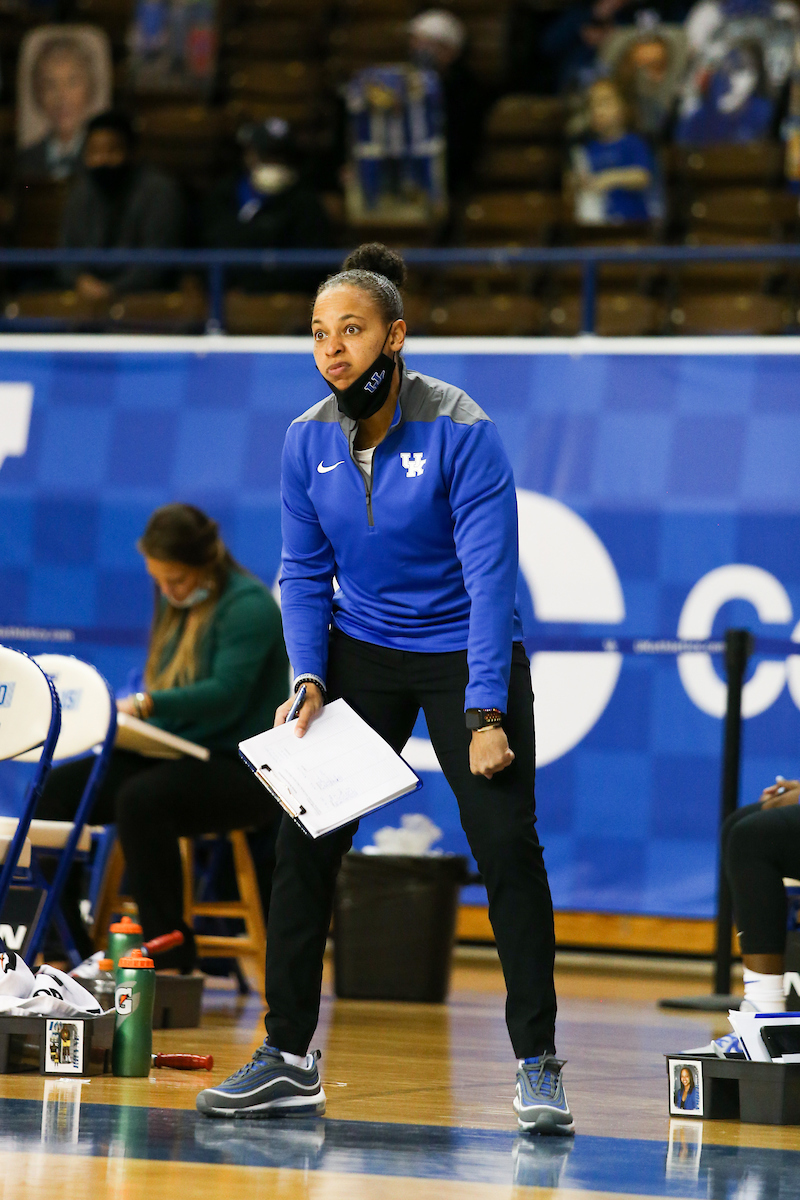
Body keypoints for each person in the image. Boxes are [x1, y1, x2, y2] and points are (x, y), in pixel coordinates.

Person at [196, 242, 573, 1136]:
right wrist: (308, 674)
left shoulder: (461, 429)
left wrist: (486, 712)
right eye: (320, 333)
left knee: (507, 851)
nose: (332, 350)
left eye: (352, 331)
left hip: (460, 656)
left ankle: (540, 1065)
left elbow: (491, 584)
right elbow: (301, 571)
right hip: (357, 652)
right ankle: (286, 1058)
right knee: (304, 840)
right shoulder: (304, 440)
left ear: (395, 337)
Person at [35, 504, 288, 973]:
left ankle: (168, 951)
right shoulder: (177, 608)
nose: (168, 592)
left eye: (176, 580)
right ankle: (62, 943)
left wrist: (146, 705)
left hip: (243, 770)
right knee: (53, 790)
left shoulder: (249, 607)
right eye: (160, 581)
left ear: (204, 564)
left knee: (141, 799)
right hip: (176, 754)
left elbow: (226, 698)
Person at [58, 109, 183, 302]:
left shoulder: (158, 192)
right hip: (87, 297)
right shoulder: (80, 193)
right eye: (94, 152)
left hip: (143, 300)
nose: (102, 160)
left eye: (111, 151)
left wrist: (114, 289)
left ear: (131, 152)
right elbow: (66, 254)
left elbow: (157, 262)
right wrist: (80, 281)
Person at [201, 117, 332, 293]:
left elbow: (310, 269)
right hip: (230, 298)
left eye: (279, 158)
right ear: (249, 155)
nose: (273, 164)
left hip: (285, 303)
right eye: (265, 156)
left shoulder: (306, 202)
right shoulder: (226, 195)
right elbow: (211, 249)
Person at [408, 9, 486, 194]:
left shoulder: (467, 92)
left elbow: (462, 151)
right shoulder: (402, 83)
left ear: (452, 51)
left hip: (448, 181)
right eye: (417, 42)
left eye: (431, 44)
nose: (421, 50)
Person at [568, 78, 660, 225]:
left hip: (633, 226)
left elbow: (642, 176)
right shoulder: (589, 148)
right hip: (597, 226)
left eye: (605, 103)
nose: (597, 110)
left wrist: (609, 179)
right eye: (592, 105)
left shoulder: (634, 143)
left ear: (624, 108)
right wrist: (577, 181)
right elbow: (580, 181)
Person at [18, 34, 104, 181]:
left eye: (72, 82)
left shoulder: (103, 162)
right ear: (38, 94)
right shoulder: (23, 162)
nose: (63, 97)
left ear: (89, 90)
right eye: (51, 85)